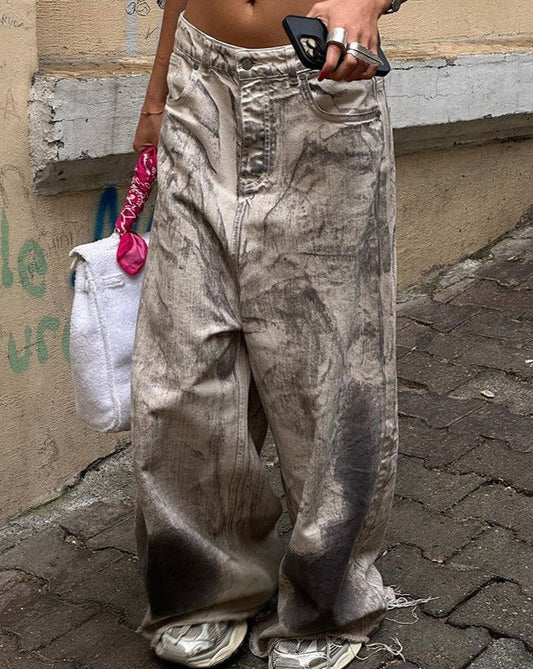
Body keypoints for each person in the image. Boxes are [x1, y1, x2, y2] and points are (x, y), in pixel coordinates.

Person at [131, 0, 406, 667]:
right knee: (181, 365)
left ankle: (325, 598)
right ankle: (205, 586)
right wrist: (158, 86)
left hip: (316, 84)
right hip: (200, 81)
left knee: (325, 372)